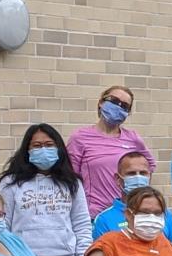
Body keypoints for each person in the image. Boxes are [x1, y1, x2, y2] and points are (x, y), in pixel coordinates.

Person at [0, 123, 92, 256]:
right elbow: (2, 227)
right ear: (27, 150)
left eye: (49, 145)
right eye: (37, 146)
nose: (43, 150)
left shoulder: (72, 183)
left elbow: (82, 224)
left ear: (59, 148)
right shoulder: (10, 183)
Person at [67, 85, 156, 218]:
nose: (118, 107)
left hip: (130, 214)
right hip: (95, 215)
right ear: (101, 102)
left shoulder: (133, 138)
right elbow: (70, 178)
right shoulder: (80, 138)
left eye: (125, 106)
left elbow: (149, 167)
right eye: (114, 101)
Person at [91, 151, 172, 252]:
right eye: (131, 174)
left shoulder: (165, 214)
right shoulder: (104, 219)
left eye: (143, 173)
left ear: (150, 177)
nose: (138, 178)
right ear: (118, 179)